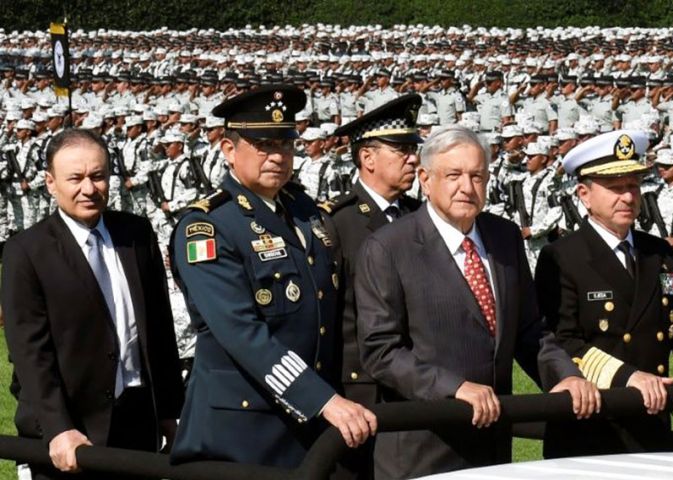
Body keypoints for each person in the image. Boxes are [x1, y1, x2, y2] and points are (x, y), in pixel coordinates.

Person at [355, 124, 600, 479]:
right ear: (425, 178)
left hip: (493, 445)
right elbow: (382, 352)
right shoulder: (388, 248)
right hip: (424, 448)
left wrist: (565, 377)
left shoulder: (504, 237)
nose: (467, 188)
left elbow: (530, 331)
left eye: (477, 176)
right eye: (453, 175)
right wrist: (452, 388)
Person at [169, 85, 376, 469]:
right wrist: (322, 399)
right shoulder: (209, 227)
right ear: (229, 150)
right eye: (263, 145)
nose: (277, 156)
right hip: (243, 432)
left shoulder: (306, 213)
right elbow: (241, 332)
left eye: (285, 144)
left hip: (311, 427)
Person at [1, 128, 184, 480]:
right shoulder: (26, 250)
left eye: (98, 176)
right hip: (72, 427)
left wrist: (171, 411)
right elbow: (29, 352)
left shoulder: (136, 234)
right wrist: (57, 427)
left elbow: (160, 330)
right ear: (50, 182)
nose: (89, 188)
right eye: (76, 178)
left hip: (137, 421)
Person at [535, 130, 673, 458]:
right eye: (615, 188)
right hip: (591, 426)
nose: (628, 197)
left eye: (633, 186)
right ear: (584, 194)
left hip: (653, 422)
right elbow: (563, 342)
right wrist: (630, 377)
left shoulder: (658, 251)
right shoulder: (562, 257)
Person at [320, 94, 423, 479]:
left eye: (414, 149)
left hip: (420, 387)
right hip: (362, 395)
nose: (413, 158)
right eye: (402, 150)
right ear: (368, 158)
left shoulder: (420, 216)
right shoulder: (335, 224)